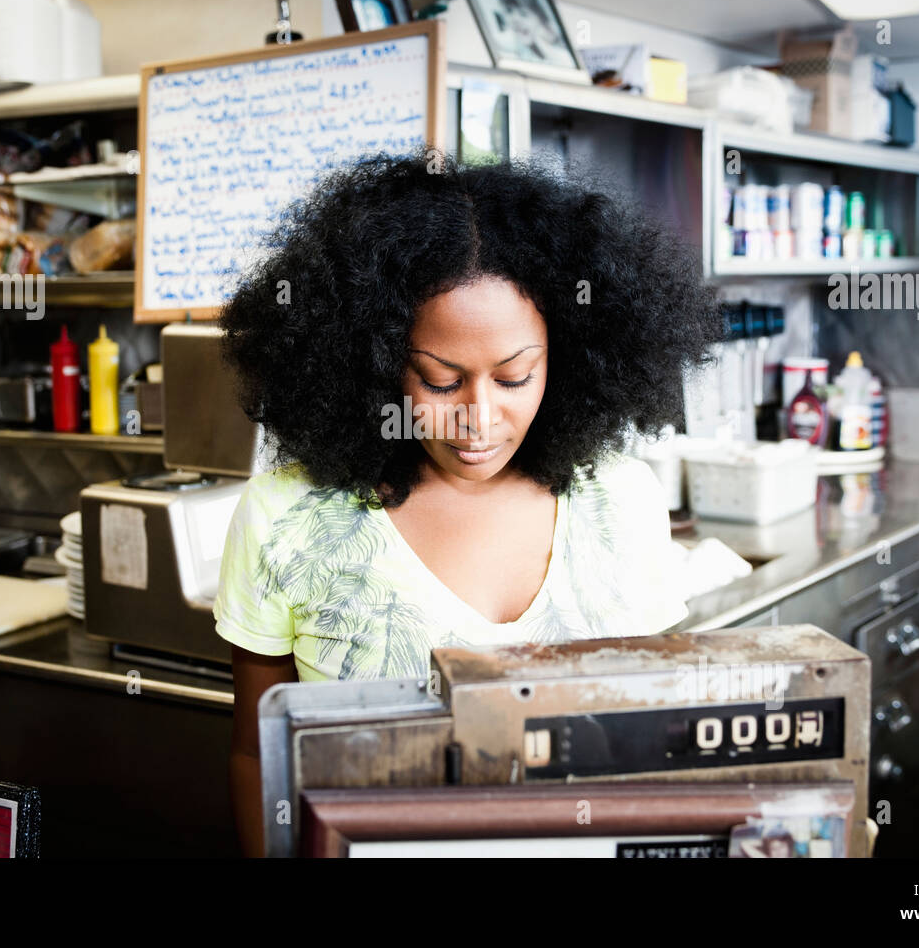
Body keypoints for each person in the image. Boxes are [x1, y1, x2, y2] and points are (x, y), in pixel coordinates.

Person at [214, 150, 720, 855]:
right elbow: (254, 752)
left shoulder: (621, 500)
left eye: (515, 377)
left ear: (567, 357)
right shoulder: (288, 517)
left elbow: (657, 737)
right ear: (379, 358)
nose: (478, 420)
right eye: (441, 381)